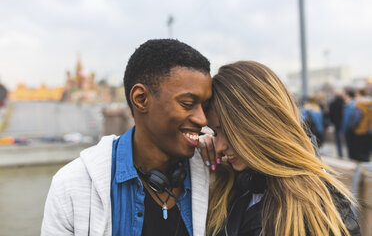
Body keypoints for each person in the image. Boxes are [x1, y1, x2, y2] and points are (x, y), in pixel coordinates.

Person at [41, 39, 212, 236]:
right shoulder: (70, 187)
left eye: (205, 106)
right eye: (188, 103)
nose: (202, 119)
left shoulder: (216, 176)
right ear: (141, 99)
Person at [198, 61, 360, 236]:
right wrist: (197, 158)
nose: (220, 146)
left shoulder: (321, 209)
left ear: (261, 124)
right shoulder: (229, 182)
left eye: (228, 133)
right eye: (214, 133)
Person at [329, 90, 345, 157]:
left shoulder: (332, 103)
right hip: (344, 123)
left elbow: (331, 114)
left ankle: (340, 153)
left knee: (338, 139)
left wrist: (333, 121)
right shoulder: (344, 103)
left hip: (336, 123)